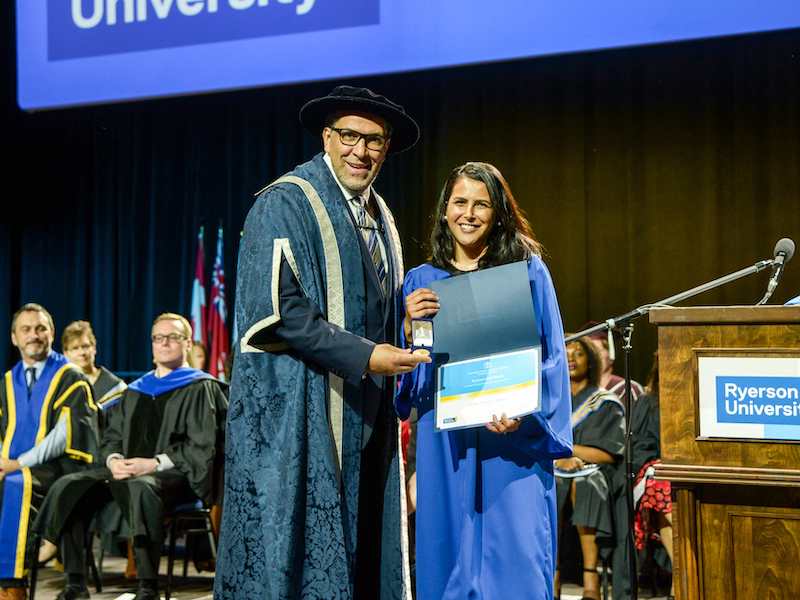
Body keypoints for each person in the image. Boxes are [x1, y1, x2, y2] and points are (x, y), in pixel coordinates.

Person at [214, 86, 429, 600]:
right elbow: (281, 313)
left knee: (365, 541)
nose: (361, 151)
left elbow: (356, 304)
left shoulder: (379, 216)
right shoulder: (285, 202)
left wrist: (400, 315)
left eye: (374, 140)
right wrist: (367, 355)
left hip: (365, 405)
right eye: (349, 136)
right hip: (301, 412)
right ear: (328, 138)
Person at [396, 162, 573, 599]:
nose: (469, 214)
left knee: (516, 566)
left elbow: (552, 359)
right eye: (460, 202)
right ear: (444, 210)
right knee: (448, 564)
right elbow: (415, 376)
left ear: (498, 214)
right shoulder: (421, 281)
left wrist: (523, 415)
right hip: (446, 445)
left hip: (512, 443)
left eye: (482, 204)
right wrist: (408, 328)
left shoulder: (528, 272)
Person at [36, 313, 226, 600]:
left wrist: (152, 463)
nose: (164, 343)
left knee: (141, 486)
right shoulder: (136, 390)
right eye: (157, 337)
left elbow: (203, 446)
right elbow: (111, 437)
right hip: (127, 470)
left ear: (187, 343)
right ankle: (75, 583)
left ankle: (147, 587)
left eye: (172, 337)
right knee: (70, 485)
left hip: (176, 475)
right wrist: (113, 460)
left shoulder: (201, 387)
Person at [0, 304, 97, 600]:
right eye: (26, 329)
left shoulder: (70, 376)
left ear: (52, 333)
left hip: (59, 466)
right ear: (14, 338)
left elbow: (64, 435)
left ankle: (10, 584)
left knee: (17, 484)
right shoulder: (7, 381)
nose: (34, 335)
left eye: (41, 328)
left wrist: (18, 463)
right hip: (12, 465)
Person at [555, 337, 625, 600]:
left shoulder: (605, 402)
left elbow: (608, 453)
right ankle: (552, 575)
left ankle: (590, 580)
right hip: (553, 470)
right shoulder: (550, 402)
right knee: (548, 486)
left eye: (579, 353)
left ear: (591, 360)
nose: (571, 358)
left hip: (596, 473)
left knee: (584, 483)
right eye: (566, 353)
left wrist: (568, 453)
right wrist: (558, 459)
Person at [630, 352, 673, 599]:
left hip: (690, 470)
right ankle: (685, 573)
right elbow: (640, 448)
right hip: (655, 470)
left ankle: (682, 579)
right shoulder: (649, 401)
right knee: (664, 484)